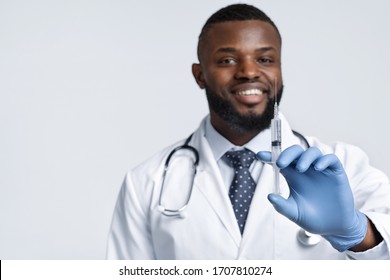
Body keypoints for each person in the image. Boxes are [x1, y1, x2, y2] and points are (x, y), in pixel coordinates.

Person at [106, 3, 390, 259]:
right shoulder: (146, 182)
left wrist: (356, 233)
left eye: (265, 60)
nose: (249, 72)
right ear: (200, 74)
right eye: (228, 60)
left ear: (280, 69)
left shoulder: (343, 166)